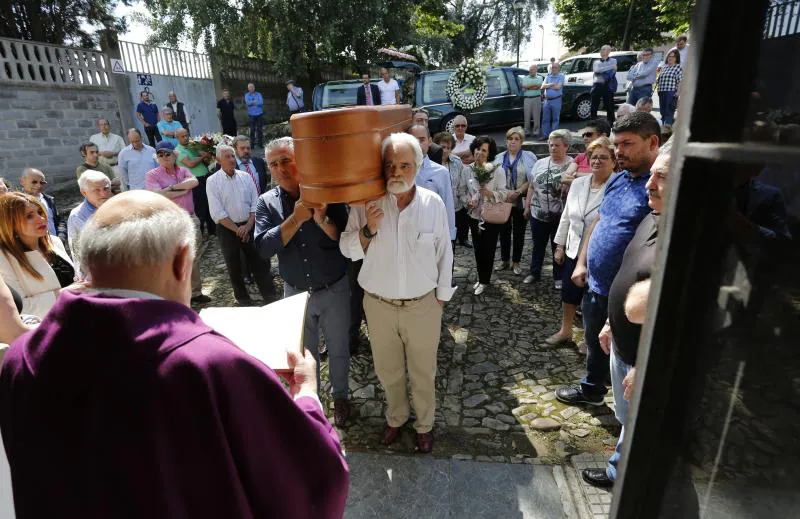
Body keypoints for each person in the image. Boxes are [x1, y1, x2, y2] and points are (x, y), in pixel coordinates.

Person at [0, 190, 349, 519]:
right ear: (183, 261)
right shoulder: (210, 366)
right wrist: (306, 394)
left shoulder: (19, 360)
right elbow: (312, 485)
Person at [339, 132, 454, 453]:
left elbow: (445, 251)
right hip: (378, 306)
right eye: (390, 165)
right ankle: (396, 417)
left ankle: (425, 424)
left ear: (417, 166)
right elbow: (348, 250)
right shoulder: (367, 203)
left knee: (423, 371)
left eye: (404, 165)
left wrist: (442, 296)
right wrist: (367, 230)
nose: (396, 172)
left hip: (423, 305)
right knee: (387, 369)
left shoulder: (433, 204)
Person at [555, 112, 660, 407]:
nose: (619, 151)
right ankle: (592, 390)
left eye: (627, 144)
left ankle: (633, 413)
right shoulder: (619, 180)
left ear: (653, 142)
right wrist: (582, 262)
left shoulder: (657, 188)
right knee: (594, 341)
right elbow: (599, 221)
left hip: (630, 295)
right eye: (617, 144)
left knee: (628, 353)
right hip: (597, 285)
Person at [581, 152, 670, 489]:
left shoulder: (685, 239)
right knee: (626, 416)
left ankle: (625, 477)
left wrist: (644, 364)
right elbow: (629, 265)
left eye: (661, 176)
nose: (650, 183)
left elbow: (671, 318)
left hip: (642, 355)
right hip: (622, 338)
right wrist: (611, 321)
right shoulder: (653, 215)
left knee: (639, 421)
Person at [254, 137, 351, 427]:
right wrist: (295, 219)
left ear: (300, 160)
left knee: (338, 348)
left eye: (286, 159)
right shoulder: (266, 203)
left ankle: (342, 398)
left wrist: (320, 219)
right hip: (295, 293)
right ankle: (312, 401)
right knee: (303, 353)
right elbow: (263, 248)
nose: (281, 168)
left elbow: (344, 236)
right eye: (274, 164)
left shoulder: (327, 193)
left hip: (333, 287)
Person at [548, 137, 614, 345]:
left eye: (603, 157)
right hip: (573, 249)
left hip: (600, 252)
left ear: (614, 161)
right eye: (593, 157)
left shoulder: (616, 186)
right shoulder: (578, 183)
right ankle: (565, 331)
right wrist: (559, 246)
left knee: (594, 299)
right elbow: (566, 216)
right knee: (569, 294)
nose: (597, 161)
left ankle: (589, 339)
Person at [207, 145, 275, 305]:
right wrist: (237, 229)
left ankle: (270, 296)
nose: (231, 159)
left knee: (259, 261)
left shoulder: (245, 176)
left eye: (232, 156)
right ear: (218, 160)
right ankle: (243, 299)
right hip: (227, 228)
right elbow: (217, 212)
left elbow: (255, 203)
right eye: (227, 157)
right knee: (233, 264)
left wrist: (248, 226)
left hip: (249, 225)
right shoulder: (212, 181)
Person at [145, 141, 211, 304]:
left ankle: (195, 292)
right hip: (168, 220)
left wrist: (169, 189)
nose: (164, 157)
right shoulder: (152, 174)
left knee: (193, 255)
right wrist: (180, 188)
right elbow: (158, 195)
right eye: (160, 155)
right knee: (172, 257)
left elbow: (194, 182)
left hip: (189, 217)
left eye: (167, 154)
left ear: (174, 155)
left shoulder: (184, 170)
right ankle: (176, 295)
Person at [0, 192, 76, 317]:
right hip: (48, 329)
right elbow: (20, 307)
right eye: (29, 216)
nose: (41, 219)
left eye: (40, 212)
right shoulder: (3, 259)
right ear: (11, 225)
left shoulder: (55, 242)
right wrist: (69, 293)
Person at [523, 129, 573, 287]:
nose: (553, 148)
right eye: (551, 145)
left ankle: (558, 276)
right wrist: (527, 205)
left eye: (557, 145)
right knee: (538, 245)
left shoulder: (572, 165)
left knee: (557, 245)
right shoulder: (540, 163)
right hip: (538, 213)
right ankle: (534, 273)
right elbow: (531, 186)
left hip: (561, 215)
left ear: (566, 147)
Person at [466, 136, 507, 296]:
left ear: (489, 153)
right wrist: (468, 200)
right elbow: (463, 190)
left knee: (488, 249)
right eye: (477, 149)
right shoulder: (468, 169)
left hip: (491, 216)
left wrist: (490, 193)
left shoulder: (497, 170)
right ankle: (480, 276)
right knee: (477, 248)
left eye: (483, 150)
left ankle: (484, 280)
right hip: (474, 215)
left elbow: (504, 193)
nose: (479, 152)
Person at [494, 127, 536, 275]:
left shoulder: (529, 157)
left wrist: (518, 191)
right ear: (506, 141)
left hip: (520, 200)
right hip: (504, 201)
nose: (513, 142)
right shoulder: (499, 158)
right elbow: (494, 179)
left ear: (521, 142)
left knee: (519, 233)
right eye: (510, 139)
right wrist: (506, 192)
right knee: (503, 232)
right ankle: (504, 260)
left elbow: (532, 179)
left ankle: (516, 262)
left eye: (516, 139)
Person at [408, 125, 456, 242]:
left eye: (422, 140)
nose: (418, 144)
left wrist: (450, 236)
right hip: (406, 232)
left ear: (429, 141)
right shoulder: (399, 171)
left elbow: (447, 205)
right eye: (413, 140)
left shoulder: (441, 173)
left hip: (431, 233)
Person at [434, 132, 472, 248]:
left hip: (455, 206)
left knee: (451, 242)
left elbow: (462, 183)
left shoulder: (456, 161)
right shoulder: (431, 163)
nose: (445, 150)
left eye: (448, 148)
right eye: (443, 147)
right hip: (437, 208)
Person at [175, 128, 214, 236]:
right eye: (182, 136)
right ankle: (201, 232)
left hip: (205, 176)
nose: (186, 137)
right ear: (177, 138)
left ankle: (212, 230)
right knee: (200, 206)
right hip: (195, 180)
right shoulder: (178, 151)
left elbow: (205, 158)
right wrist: (203, 157)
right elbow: (191, 164)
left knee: (210, 203)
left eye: (187, 135)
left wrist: (207, 153)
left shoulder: (192, 146)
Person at [67, 170, 113, 257]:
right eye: (97, 190)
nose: (103, 193)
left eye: (106, 188)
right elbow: (78, 252)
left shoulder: (119, 206)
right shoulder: (77, 216)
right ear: (84, 192)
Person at [19, 168, 60, 239]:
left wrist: (60, 238)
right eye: (34, 182)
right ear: (22, 182)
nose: (39, 185)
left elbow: (59, 222)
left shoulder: (49, 200)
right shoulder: (16, 204)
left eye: (42, 183)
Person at [590, 45, 618, 124]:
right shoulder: (596, 62)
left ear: (608, 51)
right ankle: (593, 123)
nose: (601, 51)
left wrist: (604, 69)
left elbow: (612, 72)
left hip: (608, 85)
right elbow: (597, 70)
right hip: (597, 85)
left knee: (609, 106)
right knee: (594, 106)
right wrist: (610, 67)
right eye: (601, 49)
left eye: (603, 49)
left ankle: (610, 124)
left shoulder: (614, 60)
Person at [657, 50, 683, 127]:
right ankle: (662, 128)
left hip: (670, 92)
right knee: (662, 111)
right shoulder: (664, 67)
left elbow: (681, 81)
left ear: (676, 58)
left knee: (669, 112)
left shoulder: (678, 67)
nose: (670, 58)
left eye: (673, 56)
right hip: (661, 91)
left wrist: (677, 93)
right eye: (669, 56)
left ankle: (667, 129)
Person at [541, 61, 565, 138]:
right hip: (547, 100)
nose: (553, 69)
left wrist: (548, 86)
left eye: (555, 68)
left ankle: (553, 137)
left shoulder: (561, 76)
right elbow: (542, 86)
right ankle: (545, 135)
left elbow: (558, 87)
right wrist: (551, 84)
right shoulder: (548, 76)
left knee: (555, 119)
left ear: (559, 69)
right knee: (545, 119)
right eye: (552, 68)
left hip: (556, 100)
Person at [521, 64, 544, 137]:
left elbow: (538, 87)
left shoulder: (540, 77)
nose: (530, 71)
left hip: (536, 98)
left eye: (532, 69)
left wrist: (528, 87)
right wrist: (532, 86)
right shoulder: (525, 78)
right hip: (527, 99)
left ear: (536, 70)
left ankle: (536, 132)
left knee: (536, 116)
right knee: (526, 116)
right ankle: (526, 132)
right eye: (530, 70)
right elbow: (524, 86)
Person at [245, 83, 264, 148]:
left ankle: (260, 144)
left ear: (254, 87)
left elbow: (261, 102)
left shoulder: (259, 94)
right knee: (252, 130)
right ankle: (252, 145)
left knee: (260, 130)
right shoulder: (246, 95)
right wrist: (255, 102)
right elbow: (248, 103)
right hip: (251, 115)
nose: (251, 88)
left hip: (259, 114)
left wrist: (252, 102)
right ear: (248, 88)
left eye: (252, 87)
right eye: (249, 87)